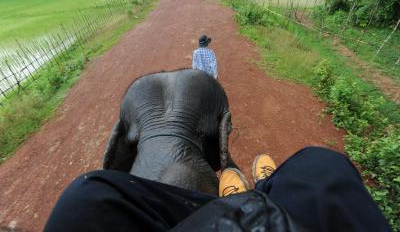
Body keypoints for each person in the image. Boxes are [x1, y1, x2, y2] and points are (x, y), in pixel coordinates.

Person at [44, 147, 391, 232]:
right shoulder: (206, 60)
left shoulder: (199, 55)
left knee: (88, 194)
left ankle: (237, 203)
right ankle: (260, 190)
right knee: (319, 164)